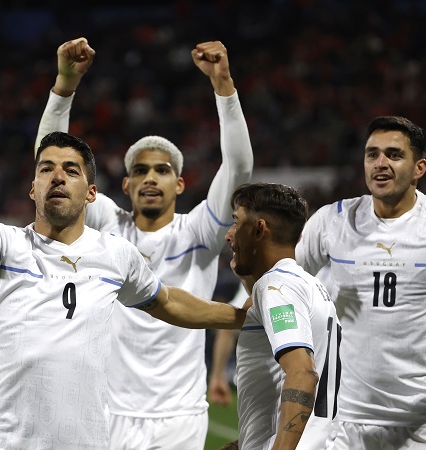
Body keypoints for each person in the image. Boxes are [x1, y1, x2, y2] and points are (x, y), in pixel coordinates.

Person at [0, 85, 247, 449]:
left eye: (71, 170)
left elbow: (168, 302)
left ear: (91, 193)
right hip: (5, 441)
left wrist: (241, 318)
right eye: (46, 169)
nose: (57, 176)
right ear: (33, 188)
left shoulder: (115, 254)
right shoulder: (2, 246)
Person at [34, 38, 253, 448]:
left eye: (163, 170)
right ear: (126, 184)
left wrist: (223, 85)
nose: (151, 178)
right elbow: (51, 159)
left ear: (180, 183)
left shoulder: (199, 232)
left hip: (180, 414)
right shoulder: (107, 225)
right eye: (141, 171)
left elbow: (239, 166)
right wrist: (64, 86)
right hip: (108, 410)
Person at [295, 116, 426, 449]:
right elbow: (281, 283)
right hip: (348, 422)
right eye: (372, 154)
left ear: (420, 168)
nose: (380, 163)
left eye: (393, 154)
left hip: (424, 424)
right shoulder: (333, 220)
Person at [224, 182, 340, 450]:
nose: (229, 235)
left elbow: (303, 373)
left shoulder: (276, 286)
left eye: (236, 222)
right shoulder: (311, 286)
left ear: (259, 229)